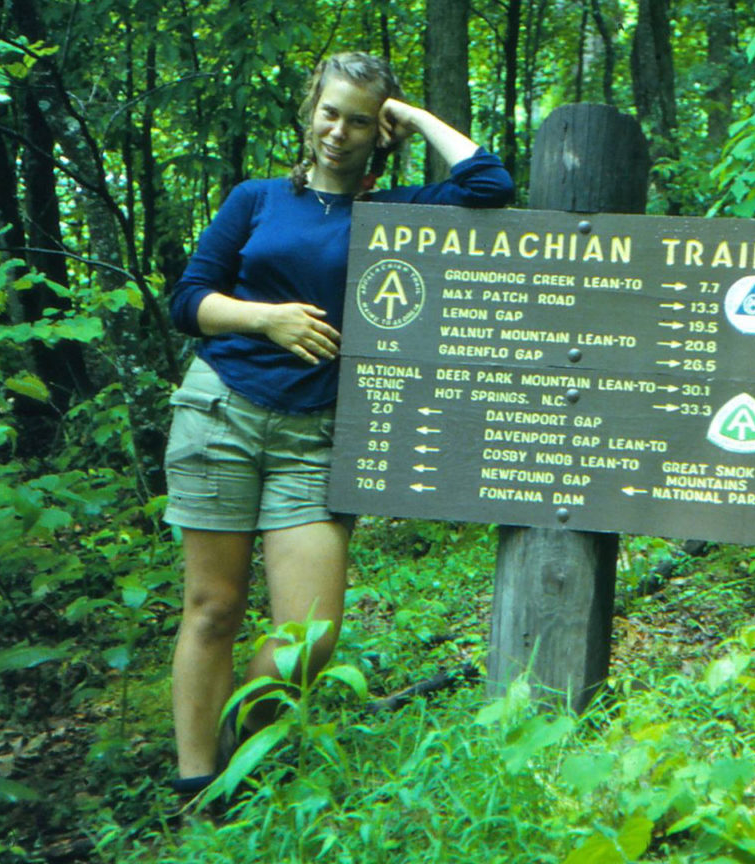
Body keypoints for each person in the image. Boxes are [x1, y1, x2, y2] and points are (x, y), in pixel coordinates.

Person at [162, 51, 513, 803]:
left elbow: (490, 185)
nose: (340, 131)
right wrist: (268, 319)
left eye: (360, 120)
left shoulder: (394, 215)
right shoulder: (254, 200)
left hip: (316, 435)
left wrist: (412, 116)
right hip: (221, 407)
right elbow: (188, 299)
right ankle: (199, 788)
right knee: (214, 607)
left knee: (309, 639)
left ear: (377, 133)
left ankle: (239, 752)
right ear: (307, 111)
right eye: (330, 112)